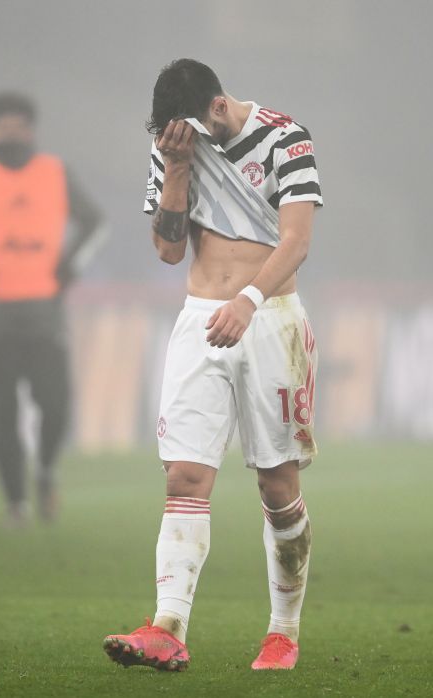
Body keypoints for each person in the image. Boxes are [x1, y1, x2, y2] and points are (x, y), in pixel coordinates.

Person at [102, 59, 323, 671]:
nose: (183, 144)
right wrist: (174, 169)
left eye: (192, 136)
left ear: (218, 109)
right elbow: (170, 250)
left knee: (277, 487)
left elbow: (297, 240)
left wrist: (248, 302)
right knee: (184, 477)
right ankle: (167, 625)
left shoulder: (286, 136)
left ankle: (283, 632)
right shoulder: (173, 145)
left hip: (269, 318)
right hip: (200, 320)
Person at [0, 92, 105, 526]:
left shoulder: (55, 172)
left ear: (31, 130)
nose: (11, 133)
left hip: (45, 309)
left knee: (56, 405)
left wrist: (71, 263)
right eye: (2, 126)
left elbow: (95, 222)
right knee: (4, 411)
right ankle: (15, 503)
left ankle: (45, 469)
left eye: (18, 125)